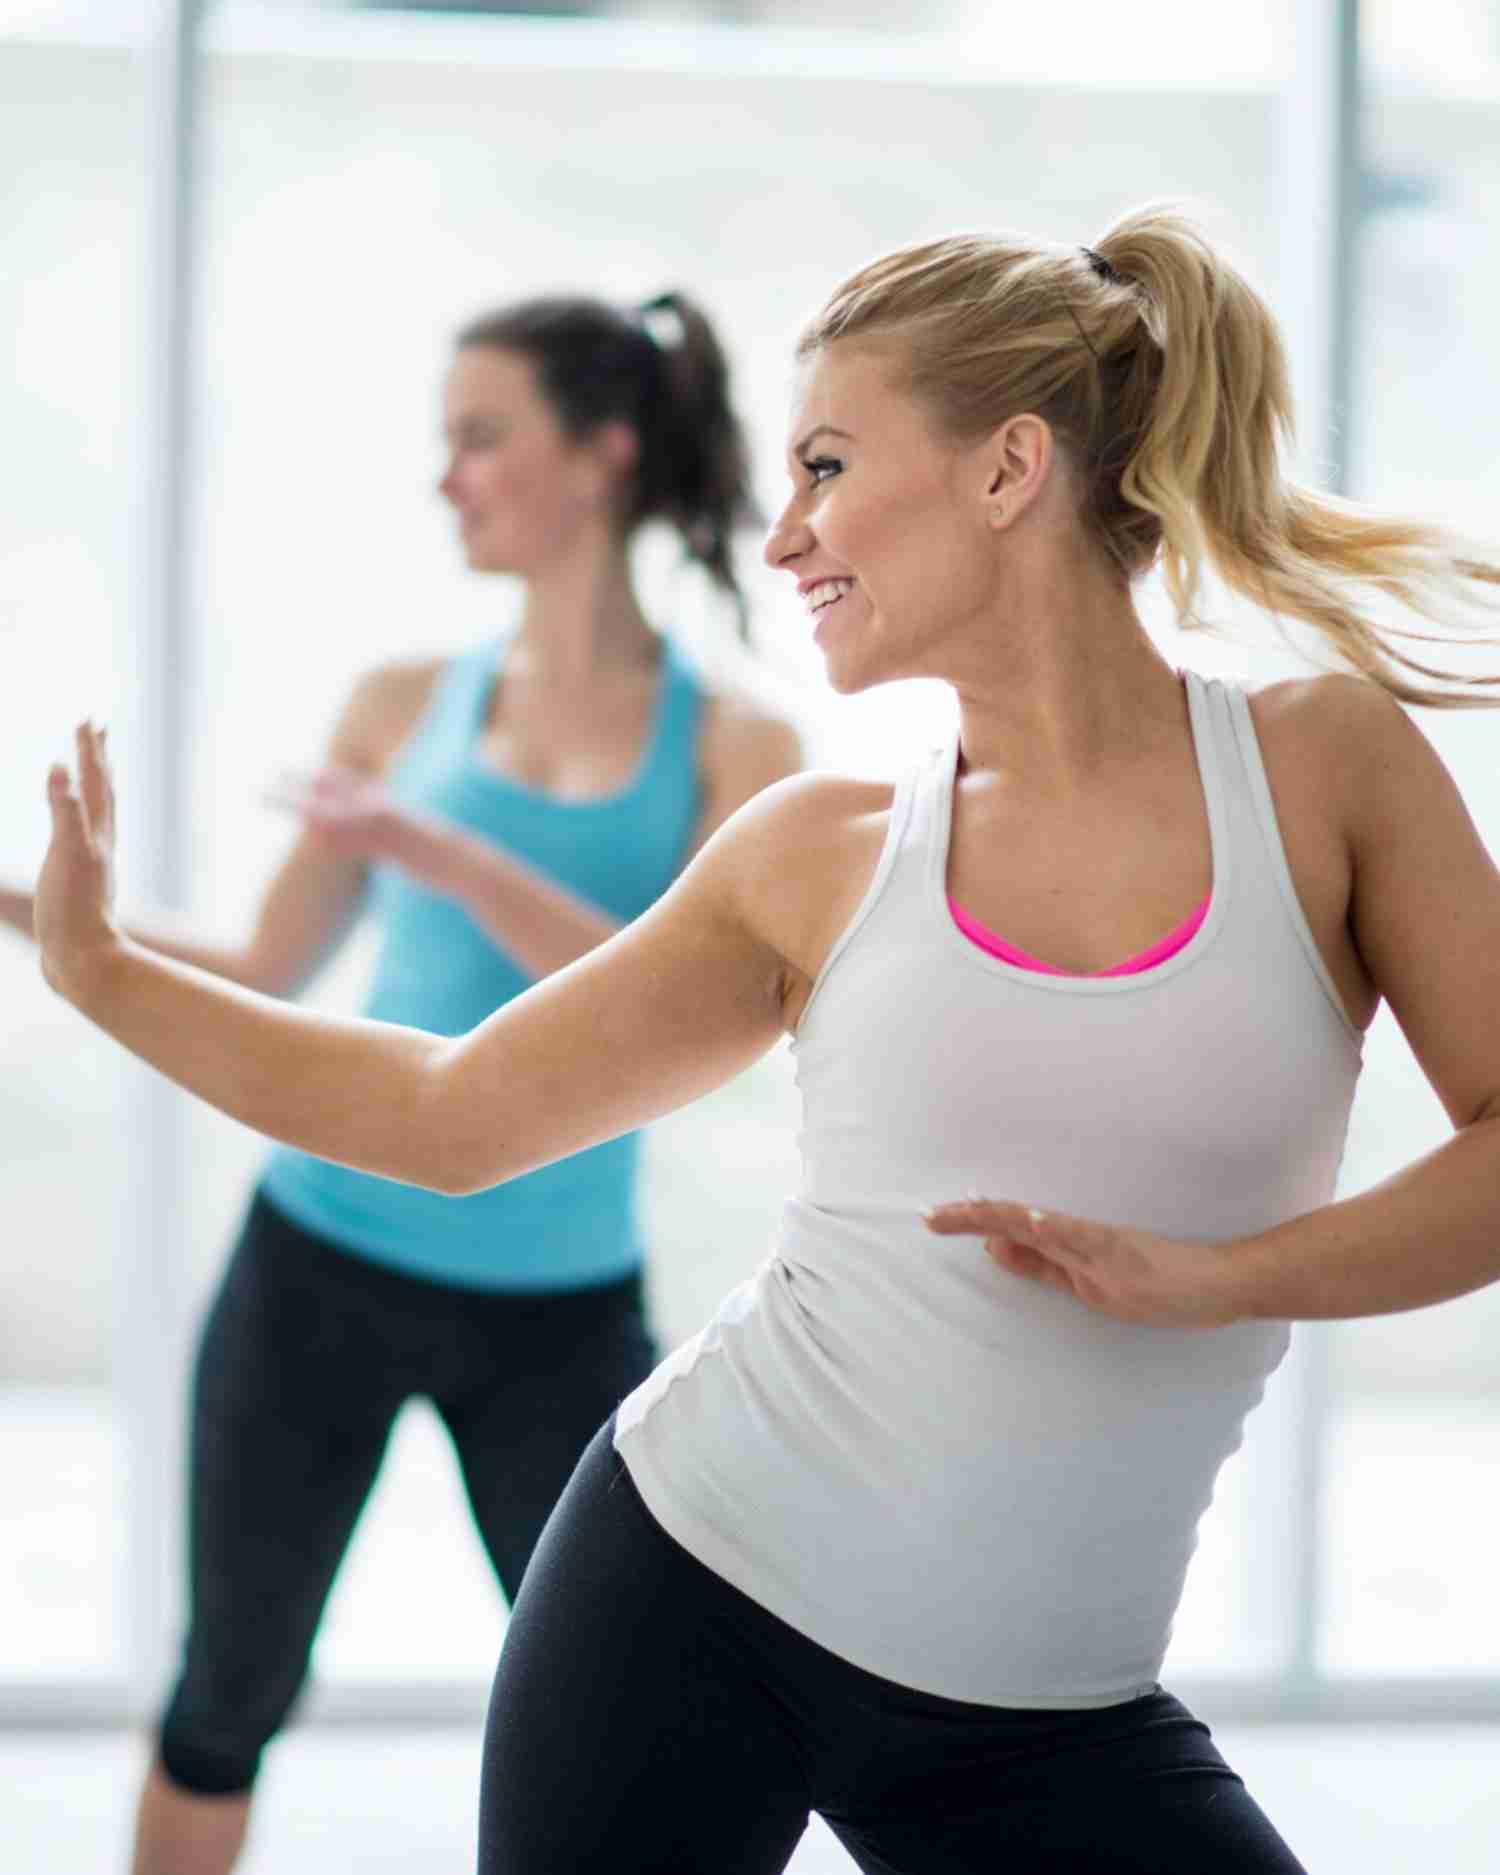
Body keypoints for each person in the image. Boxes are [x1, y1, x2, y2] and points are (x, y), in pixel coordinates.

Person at [31, 206, 1500, 1874]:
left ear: (1010, 469)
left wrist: (1228, 1278)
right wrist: (100, 975)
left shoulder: (1323, 771)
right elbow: (451, 1111)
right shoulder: (825, 848)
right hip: (693, 1595)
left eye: (825, 466)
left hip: (1048, 1708)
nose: (785, 532)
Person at [3, 288, 801, 1875]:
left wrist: (436, 850)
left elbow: (694, 995)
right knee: (229, 1688)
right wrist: (37, 910)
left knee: (638, 1710)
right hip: (318, 1271)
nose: (448, 477)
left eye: (480, 438)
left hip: (562, 1310)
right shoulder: (398, 702)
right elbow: (260, 973)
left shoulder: (738, 748)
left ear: (601, 458)